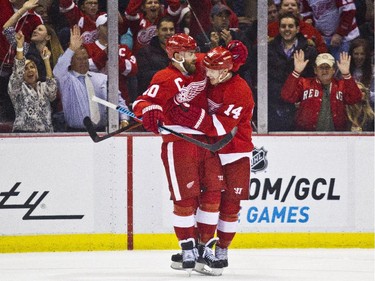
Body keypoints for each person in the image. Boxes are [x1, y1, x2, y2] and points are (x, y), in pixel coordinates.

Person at [132, 33, 225, 274]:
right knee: (185, 199)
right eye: (190, 52)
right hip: (179, 142)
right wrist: (150, 108)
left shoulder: (200, 68)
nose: (195, 55)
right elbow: (140, 103)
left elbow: (223, 62)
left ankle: (204, 247)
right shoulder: (164, 78)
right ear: (176, 55)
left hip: (207, 141)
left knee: (213, 195)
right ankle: (187, 248)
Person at [167, 41, 254, 268]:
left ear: (225, 70)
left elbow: (219, 127)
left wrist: (187, 114)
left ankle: (222, 250)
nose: (206, 72)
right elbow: (190, 60)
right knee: (204, 201)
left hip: (234, 152)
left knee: (230, 205)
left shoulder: (239, 90)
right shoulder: (212, 70)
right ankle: (199, 249)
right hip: (210, 151)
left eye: (211, 70)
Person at [53, 25, 129, 132]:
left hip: (102, 132)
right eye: (79, 59)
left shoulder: (102, 78)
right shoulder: (67, 80)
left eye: (85, 58)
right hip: (75, 133)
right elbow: (58, 69)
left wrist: (124, 119)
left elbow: (118, 100)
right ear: (71, 61)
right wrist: (71, 49)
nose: (83, 62)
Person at [281, 50, 362, 131]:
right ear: (315, 70)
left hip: (336, 137)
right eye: (321, 67)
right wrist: (296, 71)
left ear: (333, 70)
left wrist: (346, 74)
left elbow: (355, 98)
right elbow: (287, 96)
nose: (324, 71)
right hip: (307, 137)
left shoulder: (341, 85)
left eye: (327, 67)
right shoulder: (304, 83)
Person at [268, 12, 318, 131]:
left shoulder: (309, 51)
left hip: (300, 106)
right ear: (279, 28)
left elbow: (313, 80)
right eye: (283, 26)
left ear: (297, 29)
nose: (287, 29)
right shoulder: (268, 49)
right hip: (274, 106)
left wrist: (303, 98)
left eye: (290, 26)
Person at [0, 0, 43, 126]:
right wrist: (23, 10)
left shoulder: (35, 18)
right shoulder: (2, 4)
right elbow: (6, 28)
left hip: (17, 69)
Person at [84, 14, 138, 105]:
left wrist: (115, 57)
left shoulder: (124, 49)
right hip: (96, 99)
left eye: (113, 25)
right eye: (105, 25)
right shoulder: (88, 48)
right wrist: (105, 53)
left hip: (121, 99)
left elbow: (133, 69)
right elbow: (86, 67)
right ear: (98, 29)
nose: (110, 28)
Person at [8, 30, 57, 132]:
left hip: (46, 135)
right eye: (25, 68)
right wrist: (20, 47)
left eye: (32, 67)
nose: (30, 70)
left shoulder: (43, 87)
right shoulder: (17, 89)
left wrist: (46, 60)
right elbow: (17, 74)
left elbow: (52, 91)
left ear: (37, 71)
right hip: (23, 135)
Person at [135, 15, 175, 99]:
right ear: (157, 32)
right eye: (164, 29)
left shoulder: (180, 52)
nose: (168, 33)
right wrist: (169, 74)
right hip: (153, 98)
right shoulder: (145, 52)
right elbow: (143, 77)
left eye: (171, 29)